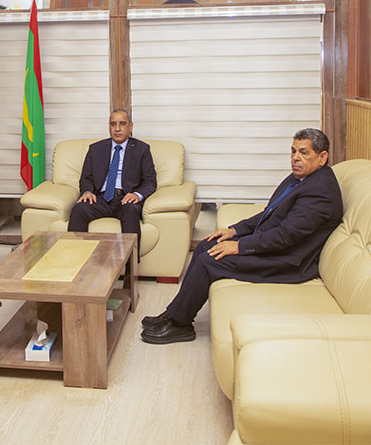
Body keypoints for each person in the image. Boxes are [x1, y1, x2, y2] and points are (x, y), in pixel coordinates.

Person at [140, 128, 344, 345]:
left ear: (322, 157)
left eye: (304, 153)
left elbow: (285, 236)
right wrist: (234, 231)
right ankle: (174, 313)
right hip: (274, 246)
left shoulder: (320, 192)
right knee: (207, 244)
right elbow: (269, 214)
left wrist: (238, 246)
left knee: (209, 261)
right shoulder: (302, 178)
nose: (295, 158)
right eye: (293, 151)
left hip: (287, 261)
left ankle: (181, 325)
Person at [67, 109, 157, 238]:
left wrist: (137, 195)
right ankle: (75, 251)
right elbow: (86, 178)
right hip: (99, 198)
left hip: (125, 199)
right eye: (113, 124)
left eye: (122, 124)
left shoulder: (142, 149)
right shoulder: (95, 149)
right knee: (79, 209)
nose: (117, 129)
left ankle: (131, 252)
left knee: (130, 210)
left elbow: (150, 181)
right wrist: (87, 192)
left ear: (130, 126)